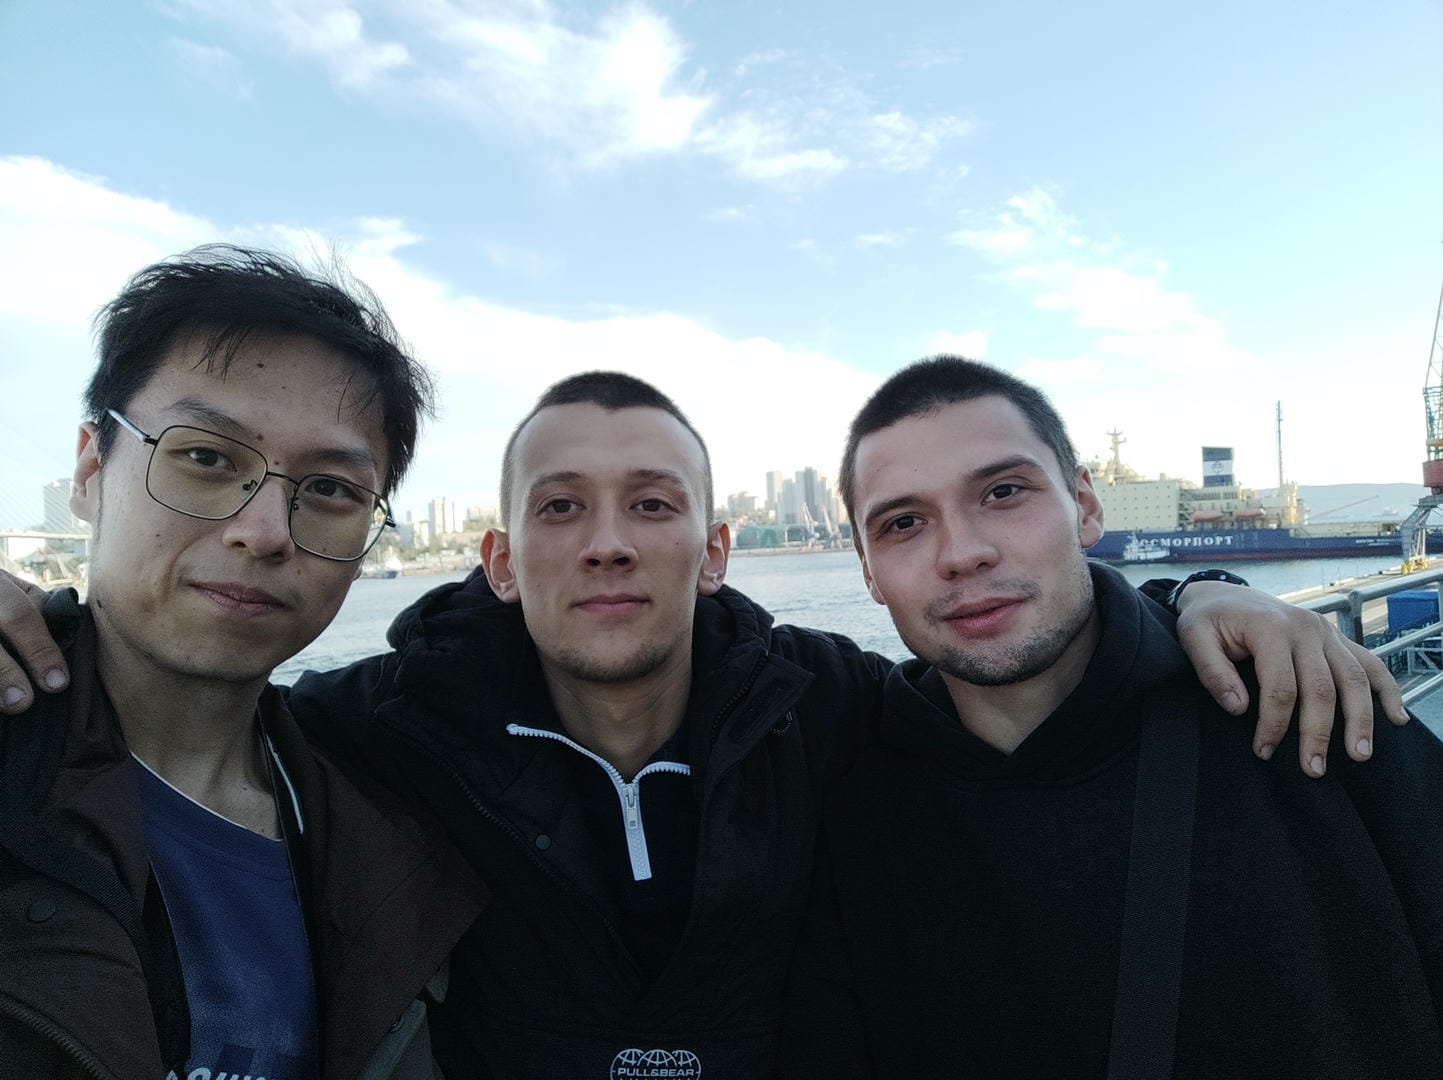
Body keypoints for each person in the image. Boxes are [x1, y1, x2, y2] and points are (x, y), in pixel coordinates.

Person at [0, 371, 1407, 1078]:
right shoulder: (367, 742)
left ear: (718, 549)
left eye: (651, 505)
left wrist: (1198, 600)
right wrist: (27, 625)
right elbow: (171, 700)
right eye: (560, 508)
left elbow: (1028, 676)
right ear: (497, 559)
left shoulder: (837, 713)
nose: (606, 544)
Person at [778, 356, 1443, 1078]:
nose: (962, 553)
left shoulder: (1312, 715)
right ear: (868, 571)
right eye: (903, 522)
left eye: (1004, 492)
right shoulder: (845, 810)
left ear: (1085, 506)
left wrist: (1198, 591)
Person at [0, 247, 482, 1079]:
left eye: (330, 489)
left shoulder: (386, 830)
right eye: (207, 458)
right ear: (90, 470)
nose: (262, 530)